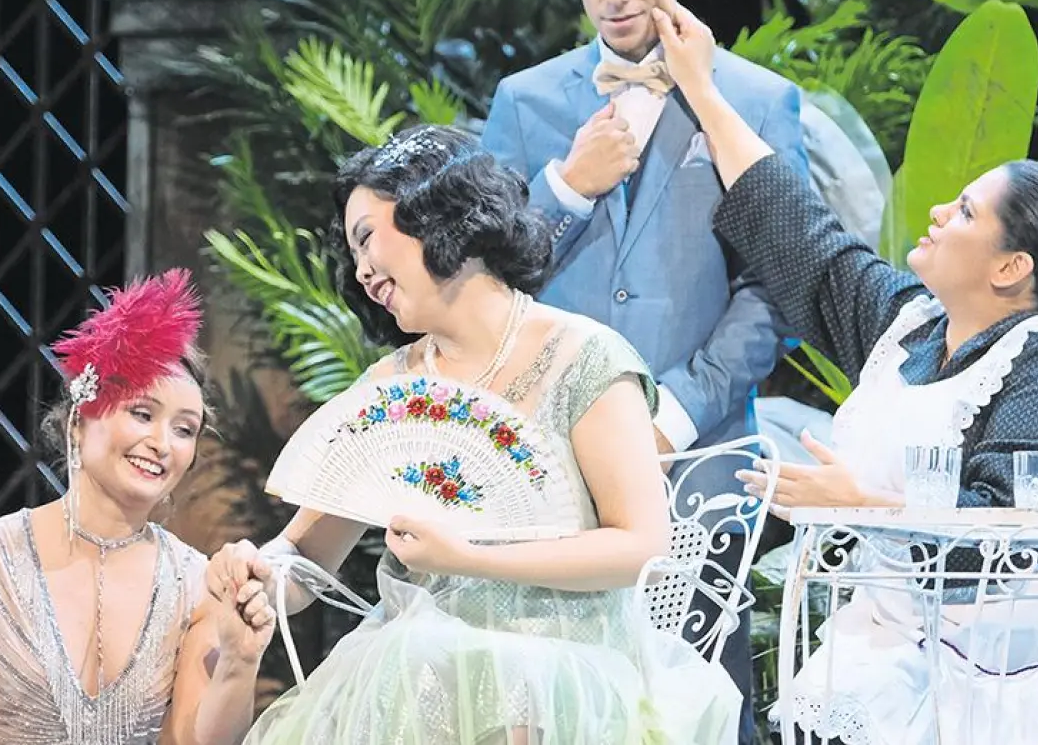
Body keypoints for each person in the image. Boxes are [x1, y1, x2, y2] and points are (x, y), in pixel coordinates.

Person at [653, 3, 1038, 743]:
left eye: (963, 213)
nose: (934, 212)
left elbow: (1009, 541)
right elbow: (795, 228)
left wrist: (863, 505)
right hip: (939, 648)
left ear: (1011, 266)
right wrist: (701, 87)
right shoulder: (913, 327)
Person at [237, 125, 742, 743]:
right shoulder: (390, 388)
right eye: (353, 254)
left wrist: (466, 557)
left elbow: (640, 546)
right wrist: (256, 575)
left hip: (568, 676)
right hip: (415, 676)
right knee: (415, 661)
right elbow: (307, 556)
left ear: (434, 211)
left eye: (367, 238)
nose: (363, 270)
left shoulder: (583, 357)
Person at [478, 0, 809, 728]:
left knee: (699, 703)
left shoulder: (759, 102)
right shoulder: (524, 102)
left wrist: (674, 415)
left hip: (698, 456)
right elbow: (484, 283)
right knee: (550, 700)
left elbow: (775, 291)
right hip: (546, 451)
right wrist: (568, 188)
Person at [0, 269, 276, 745]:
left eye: (184, 429)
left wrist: (240, 664)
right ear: (79, 421)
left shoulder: (193, 584)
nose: (161, 443)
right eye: (142, 413)